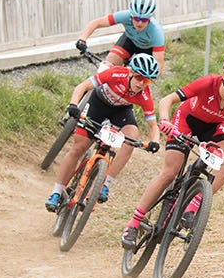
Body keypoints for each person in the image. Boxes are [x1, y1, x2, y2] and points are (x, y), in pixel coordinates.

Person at [120, 54, 224, 249]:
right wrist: (165, 121)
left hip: (212, 127)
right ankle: (134, 223)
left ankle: (194, 204)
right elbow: (167, 100)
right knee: (170, 173)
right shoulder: (208, 83)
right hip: (186, 120)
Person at [45, 54, 162, 212]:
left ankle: (105, 184)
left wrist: (155, 142)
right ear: (130, 73)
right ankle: (56, 192)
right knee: (78, 148)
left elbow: (153, 125)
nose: (141, 83)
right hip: (98, 105)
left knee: (132, 137)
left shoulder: (144, 95)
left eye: (147, 81)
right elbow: (82, 87)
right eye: (139, 77)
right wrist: (73, 105)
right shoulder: (115, 74)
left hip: (121, 112)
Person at [76, 0, 165, 70]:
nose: (139, 23)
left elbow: (159, 66)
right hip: (130, 41)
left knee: (137, 77)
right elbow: (97, 23)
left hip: (147, 49)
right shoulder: (125, 15)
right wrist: (82, 39)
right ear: (131, 15)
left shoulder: (156, 32)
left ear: (150, 18)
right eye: (136, 18)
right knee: (107, 67)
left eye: (144, 20)